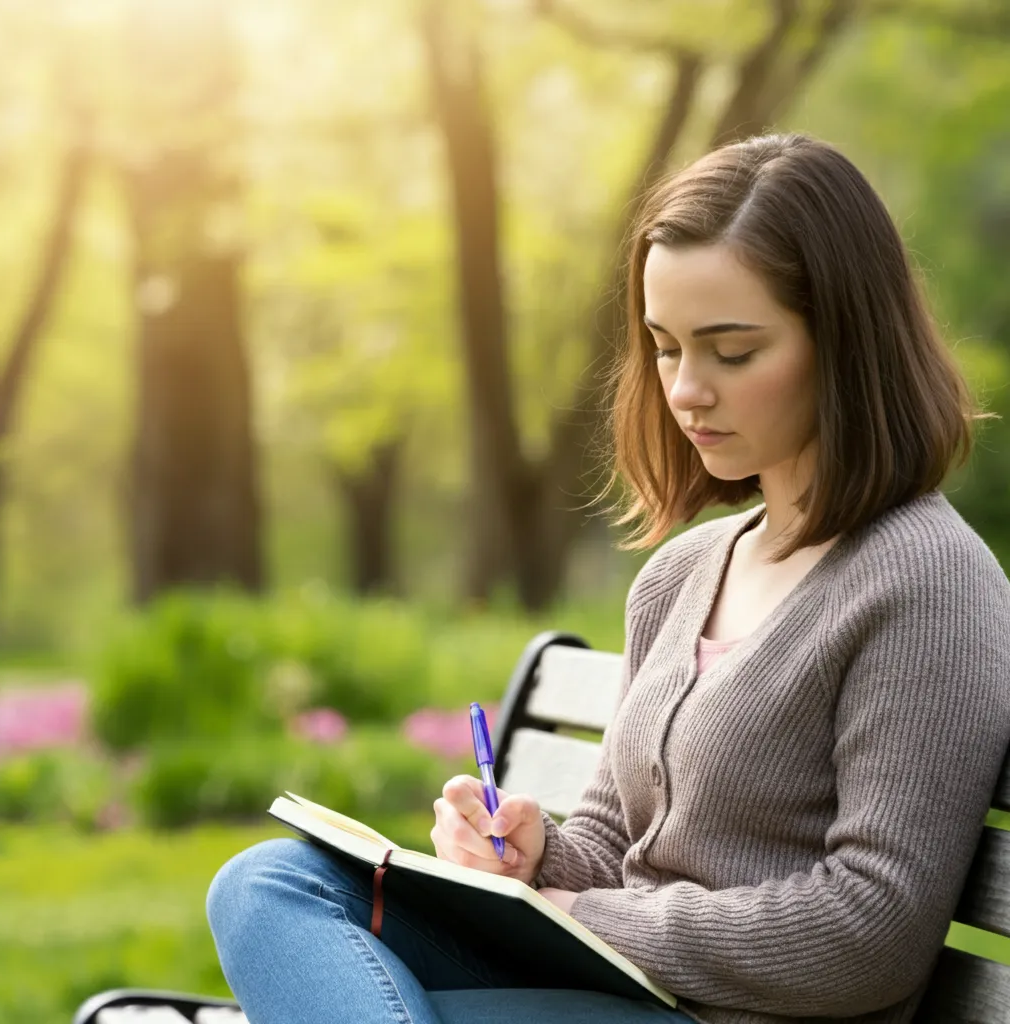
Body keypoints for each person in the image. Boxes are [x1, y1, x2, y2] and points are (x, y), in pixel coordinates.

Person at [206, 132, 1010, 1024]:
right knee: (269, 882)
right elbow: (615, 844)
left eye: (732, 351)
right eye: (666, 348)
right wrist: (536, 857)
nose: (687, 390)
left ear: (847, 343)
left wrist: (585, 915)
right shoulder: (683, 573)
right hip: (613, 993)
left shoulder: (927, 583)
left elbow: (870, 931)